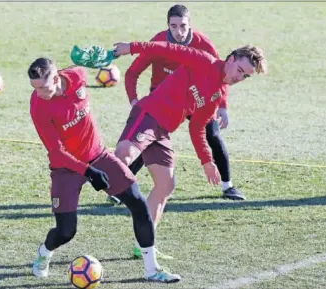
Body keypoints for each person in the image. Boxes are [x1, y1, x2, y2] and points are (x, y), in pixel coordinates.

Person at [28, 58, 180, 283]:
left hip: (98, 155)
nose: (39, 92)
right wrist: (88, 172)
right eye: (35, 88)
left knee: (138, 202)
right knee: (66, 231)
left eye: (43, 86)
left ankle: (151, 269)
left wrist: (101, 58)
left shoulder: (77, 75)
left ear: (57, 77)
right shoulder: (38, 107)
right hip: (65, 168)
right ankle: (44, 252)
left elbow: (82, 66)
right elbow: (56, 152)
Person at [113, 41, 267, 258]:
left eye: (246, 76)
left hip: (163, 130)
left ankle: (143, 245)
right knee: (124, 156)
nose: (239, 78)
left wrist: (206, 161)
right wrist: (131, 47)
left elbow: (197, 127)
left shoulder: (217, 95)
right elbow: (166, 49)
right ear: (231, 59)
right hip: (148, 114)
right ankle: (86, 169)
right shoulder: (204, 60)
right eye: (240, 71)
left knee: (166, 185)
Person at [108, 5, 245, 215]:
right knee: (145, 140)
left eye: (183, 26)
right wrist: (133, 99)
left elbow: (223, 77)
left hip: (197, 98)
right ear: (167, 26)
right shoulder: (159, 41)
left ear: (190, 25)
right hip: (164, 97)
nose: (179, 32)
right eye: (174, 26)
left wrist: (223, 107)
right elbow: (133, 72)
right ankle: (120, 186)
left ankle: (227, 185)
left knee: (212, 133)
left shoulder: (203, 46)